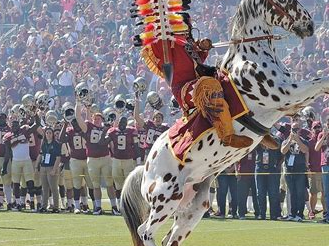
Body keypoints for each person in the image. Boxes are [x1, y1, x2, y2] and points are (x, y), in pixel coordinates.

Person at [139, 13, 252, 149]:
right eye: (187, 24)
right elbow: (155, 43)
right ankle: (227, 135)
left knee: (226, 77)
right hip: (183, 90)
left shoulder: (188, 43)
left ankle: (248, 121)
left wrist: (203, 48)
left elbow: (198, 62)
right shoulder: (168, 43)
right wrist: (156, 24)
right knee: (210, 86)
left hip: (197, 81)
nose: (189, 27)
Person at [79, 107, 120, 215]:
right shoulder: (88, 126)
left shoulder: (106, 128)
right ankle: (98, 207)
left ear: (102, 119)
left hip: (105, 157)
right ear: (92, 119)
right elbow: (79, 119)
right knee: (95, 185)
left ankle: (114, 206)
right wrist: (79, 106)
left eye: (99, 119)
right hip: (92, 159)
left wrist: (118, 113)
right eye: (95, 118)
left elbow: (115, 127)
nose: (97, 120)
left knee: (109, 184)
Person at [107, 116, 140, 208]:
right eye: (121, 122)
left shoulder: (131, 131)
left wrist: (138, 161)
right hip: (116, 160)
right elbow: (103, 143)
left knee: (129, 184)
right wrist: (106, 130)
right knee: (118, 184)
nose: (122, 124)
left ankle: (130, 205)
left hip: (128, 160)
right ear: (118, 122)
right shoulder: (112, 131)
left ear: (126, 123)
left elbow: (136, 146)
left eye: (124, 122)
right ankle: (119, 205)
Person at [281, 118, 309, 221]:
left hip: (300, 170)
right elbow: (283, 151)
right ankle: (292, 213)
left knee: (300, 193)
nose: (295, 131)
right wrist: (290, 141)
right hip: (289, 170)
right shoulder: (286, 140)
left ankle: (300, 214)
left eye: (297, 129)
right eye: (293, 129)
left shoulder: (304, 140)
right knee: (292, 193)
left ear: (300, 130)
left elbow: (305, 150)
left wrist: (297, 139)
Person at [255, 139, 282, 220]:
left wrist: (278, 165)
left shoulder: (276, 139)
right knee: (260, 193)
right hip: (260, 168)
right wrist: (261, 140)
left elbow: (282, 154)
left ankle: (273, 214)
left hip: (272, 169)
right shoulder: (259, 139)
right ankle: (261, 214)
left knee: (273, 193)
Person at [37, 127, 61, 213]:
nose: (48, 134)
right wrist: (37, 166)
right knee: (44, 188)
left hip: (51, 167)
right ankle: (44, 206)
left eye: (50, 133)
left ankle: (56, 207)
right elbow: (40, 155)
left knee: (54, 188)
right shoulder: (43, 143)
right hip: (43, 166)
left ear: (53, 134)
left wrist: (54, 169)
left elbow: (58, 158)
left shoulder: (56, 144)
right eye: (47, 133)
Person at [308, 121, 325, 220]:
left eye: (319, 127)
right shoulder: (310, 142)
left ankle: (325, 211)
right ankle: (312, 211)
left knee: (324, 193)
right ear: (312, 129)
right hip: (314, 170)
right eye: (315, 127)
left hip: (324, 169)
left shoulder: (325, 140)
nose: (317, 129)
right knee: (313, 193)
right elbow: (308, 156)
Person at [236, 151, 260, 219]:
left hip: (254, 174)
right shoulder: (243, 148)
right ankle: (241, 214)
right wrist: (237, 171)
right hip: (243, 174)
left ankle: (258, 213)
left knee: (256, 195)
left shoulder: (255, 149)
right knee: (242, 195)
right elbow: (236, 160)